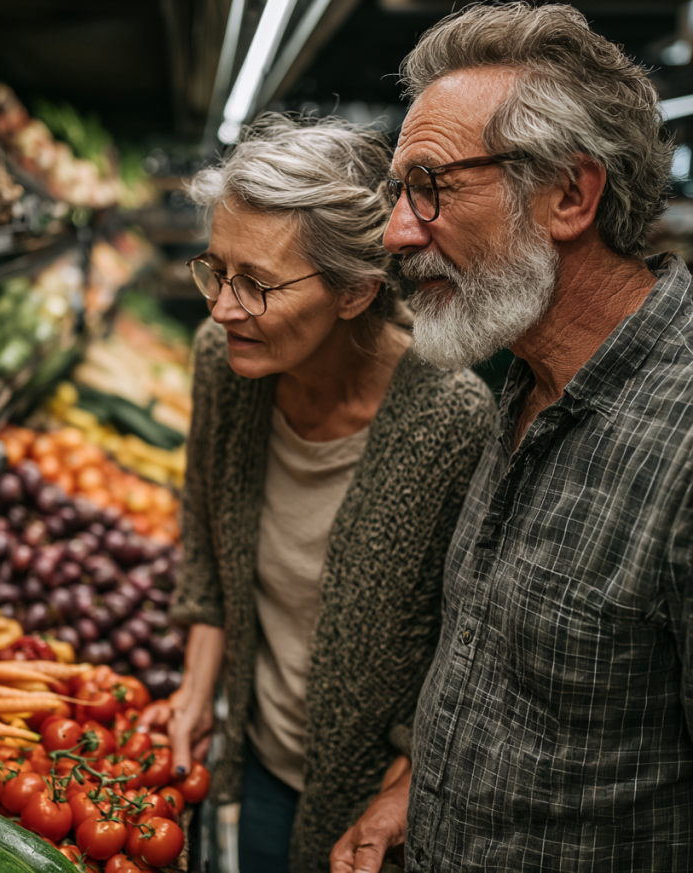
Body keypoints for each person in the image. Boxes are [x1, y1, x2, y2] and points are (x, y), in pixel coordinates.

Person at [331, 3, 693, 872]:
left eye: (431, 187)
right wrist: (413, 790)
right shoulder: (526, 371)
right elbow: (511, 673)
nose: (395, 232)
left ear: (569, 194)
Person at [158, 113, 495, 873]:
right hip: (259, 763)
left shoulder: (450, 419)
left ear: (354, 292)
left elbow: (464, 637)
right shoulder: (222, 361)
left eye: (258, 285)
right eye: (215, 270)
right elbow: (207, 538)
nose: (221, 308)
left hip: (379, 796)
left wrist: (405, 781)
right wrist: (195, 690)